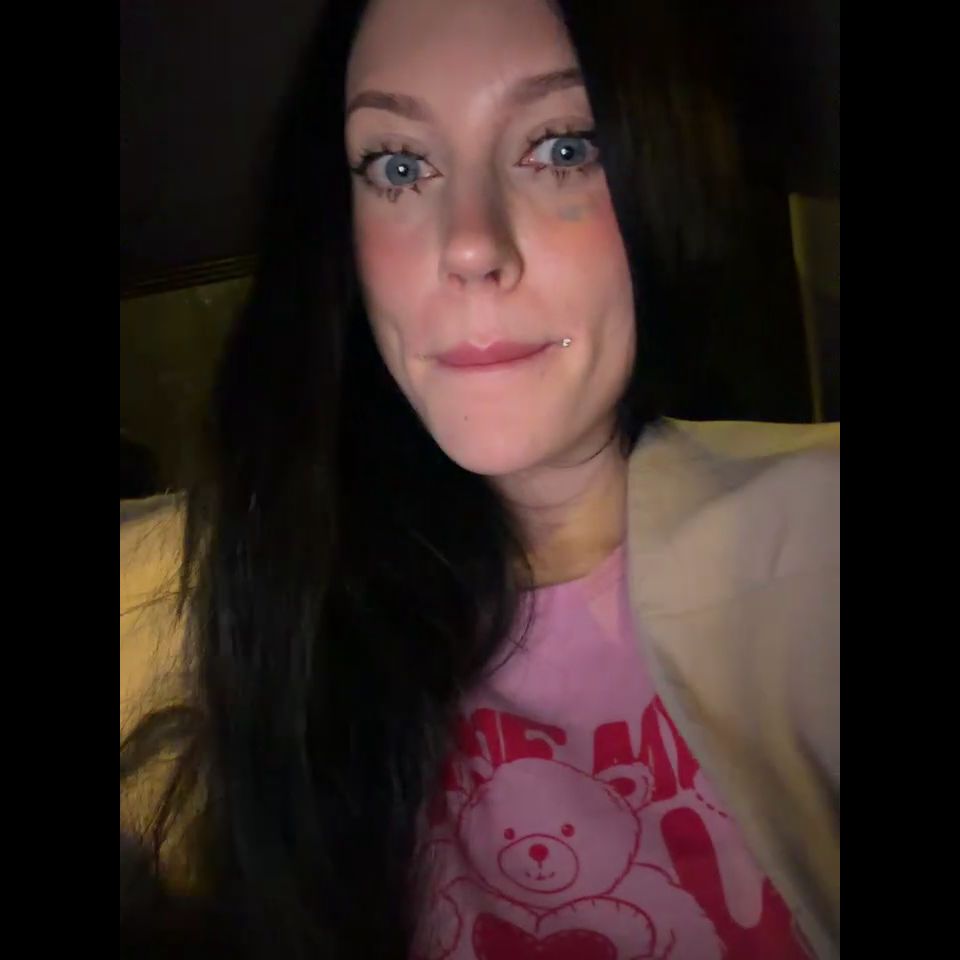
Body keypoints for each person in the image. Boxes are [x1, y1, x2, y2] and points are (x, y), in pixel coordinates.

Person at [120, 1, 840, 958]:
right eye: (398, 166)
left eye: (561, 148)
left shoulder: (816, 545)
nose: (468, 244)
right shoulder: (245, 600)